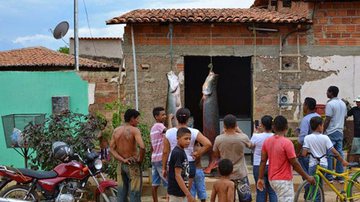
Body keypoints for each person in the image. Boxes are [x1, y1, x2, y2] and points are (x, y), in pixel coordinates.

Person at [257, 115, 315, 202]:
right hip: (284, 180)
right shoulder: (287, 143)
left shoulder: (267, 141)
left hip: (272, 179)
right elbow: (294, 163)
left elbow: (263, 161)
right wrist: (307, 177)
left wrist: (260, 178)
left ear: (273, 127)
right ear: (286, 127)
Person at [162, 108, 212, 190]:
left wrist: (163, 168)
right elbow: (208, 144)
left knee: (171, 190)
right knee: (186, 190)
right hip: (189, 162)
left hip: (173, 162)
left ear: (177, 118)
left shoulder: (169, 132)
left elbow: (165, 152)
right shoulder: (194, 132)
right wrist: (197, 153)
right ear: (188, 119)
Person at [213, 114, 252, 202]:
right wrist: (240, 131)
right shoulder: (243, 137)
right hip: (241, 173)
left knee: (228, 199)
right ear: (236, 125)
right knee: (245, 199)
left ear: (224, 125)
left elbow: (215, 154)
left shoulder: (219, 139)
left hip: (226, 174)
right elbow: (250, 145)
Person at [109, 109, 145, 202]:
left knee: (121, 191)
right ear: (132, 119)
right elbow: (142, 147)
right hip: (133, 164)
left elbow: (111, 149)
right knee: (134, 192)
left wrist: (122, 160)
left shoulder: (116, 130)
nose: (138, 121)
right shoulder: (134, 130)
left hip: (121, 165)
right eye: (137, 119)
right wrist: (140, 159)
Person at [250, 115, 277, 202]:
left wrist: (256, 133)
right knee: (273, 191)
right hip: (273, 166)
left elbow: (251, 146)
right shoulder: (276, 137)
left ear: (262, 125)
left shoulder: (256, 136)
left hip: (258, 165)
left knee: (260, 191)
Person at [323, 86, 347, 183]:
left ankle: (329, 176)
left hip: (331, 131)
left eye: (327, 91)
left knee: (329, 154)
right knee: (339, 153)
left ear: (331, 93)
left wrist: (323, 130)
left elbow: (327, 119)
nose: (326, 93)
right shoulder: (343, 103)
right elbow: (344, 118)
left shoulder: (330, 104)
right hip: (340, 131)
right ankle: (340, 176)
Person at [167, 127, 195, 202]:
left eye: (189, 139)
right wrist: (188, 194)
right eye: (186, 139)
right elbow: (177, 175)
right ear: (178, 138)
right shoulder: (178, 153)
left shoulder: (181, 151)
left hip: (181, 193)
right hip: (176, 194)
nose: (188, 141)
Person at [150, 107, 172, 202]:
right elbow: (170, 133)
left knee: (155, 184)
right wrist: (170, 120)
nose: (165, 116)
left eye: (165, 114)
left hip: (154, 159)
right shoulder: (159, 126)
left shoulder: (153, 128)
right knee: (169, 184)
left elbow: (152, 146)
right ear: (156, 116)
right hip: (160, 159)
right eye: (162, 115)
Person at [298, 97, 320, 174]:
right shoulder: (318, 116)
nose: (303, 107)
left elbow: (302, 139)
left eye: (304, 105)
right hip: (319, 151)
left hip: (308, 152)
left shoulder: (306, 119)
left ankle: (307, 185)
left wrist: (298, 151)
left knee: (306, 173)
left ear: (306, 106)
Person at [347, 95, 360, 161]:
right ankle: (354, 165)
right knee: (355, 151)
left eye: (359, 102)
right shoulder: (354, 109)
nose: (357, 103)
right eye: (357, 102)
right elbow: (347, 114)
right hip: (357, 134)